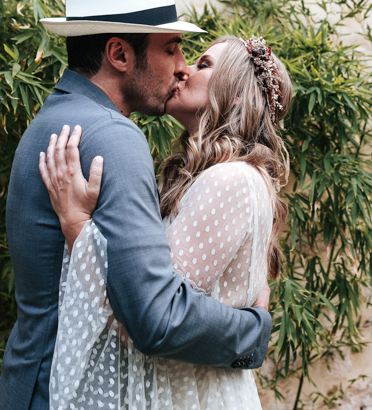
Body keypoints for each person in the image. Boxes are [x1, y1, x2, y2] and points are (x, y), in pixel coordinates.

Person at [0, 0, 273, 410]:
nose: (181, 67)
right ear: (120, 55)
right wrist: (255, 328)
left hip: (29, 379)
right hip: (63, 390)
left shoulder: (54, 117)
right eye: (172, 49)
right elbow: (156, 318)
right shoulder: (113, 137)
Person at [41, 34, 293, 409]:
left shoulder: (229, 180)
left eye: (203, 65)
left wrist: (77, 224)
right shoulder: (225, 176)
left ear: (238, 94)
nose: (182, 69)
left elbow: (148, 320)